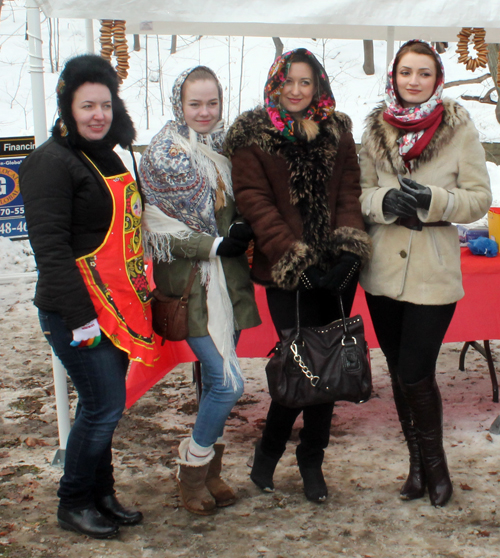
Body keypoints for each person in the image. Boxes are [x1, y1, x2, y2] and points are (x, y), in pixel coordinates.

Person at [19, 54, 158, 539]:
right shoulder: (48, 162)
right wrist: (80, 319)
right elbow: (51, 251)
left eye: (104, 104)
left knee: (105, 404)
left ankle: (101, 493)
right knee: (103, 405)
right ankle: (73, 500)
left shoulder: (107, 155)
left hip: (117, 306)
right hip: (75, 310)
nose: (97, 114)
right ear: (67, 107)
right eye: (87, 105)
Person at [224, 48, 371, 503]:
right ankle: (268, 454)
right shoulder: (252, 135)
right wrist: (294, 257)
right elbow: (255, 202)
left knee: (327, 369)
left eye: (305, 82)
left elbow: (349, 190)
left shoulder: (336, 130)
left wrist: (349, 249)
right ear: (274, 81)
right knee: (298, 363)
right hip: (286, 273)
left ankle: (312, 459)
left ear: (318, 87)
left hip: (333, 272)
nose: (295, 89)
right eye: (288, 80)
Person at [358, 40, 492, 507]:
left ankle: (437, 469)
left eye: (424, 73)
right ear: (393, 77)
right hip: (382, 274)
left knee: (417, 370)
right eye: (405, 73)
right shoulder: (376, 130)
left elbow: (477, 198)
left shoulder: (458, 130)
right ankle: (416, 466)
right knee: (397, 371)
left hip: (433, 273)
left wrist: (433, 202)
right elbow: (360, 193)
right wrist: (384, 202)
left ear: (438, 78)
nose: (413, 81)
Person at [139, 66, 261, 516]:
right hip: (191, 288)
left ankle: (208, 473)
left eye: (212, 102)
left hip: (229, 287)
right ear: (179, 104)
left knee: (215, 382)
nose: (205, 112)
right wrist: (213, 242)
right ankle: (190, 465)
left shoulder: (224, 150)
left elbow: (232, 208)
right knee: (228, 383)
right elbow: (157, 224)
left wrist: (242, 223)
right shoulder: (163, 155)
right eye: (195, 103)